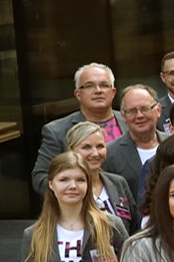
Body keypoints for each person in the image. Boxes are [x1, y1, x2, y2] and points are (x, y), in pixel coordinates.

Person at [35, 63, 124, 194]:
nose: (98, 90)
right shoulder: (56, 131)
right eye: (89, 86)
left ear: (113, 92)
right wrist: (73, 195)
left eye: (104, 85)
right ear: (78, 94)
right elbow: (40, 178)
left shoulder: (132, 122)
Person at [63, 121, 136, 227]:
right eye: (86, 147)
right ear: (71, 151)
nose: (95, 153)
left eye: (100, 146)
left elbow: (134, 225)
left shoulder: (118, 183)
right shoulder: (66, 188)